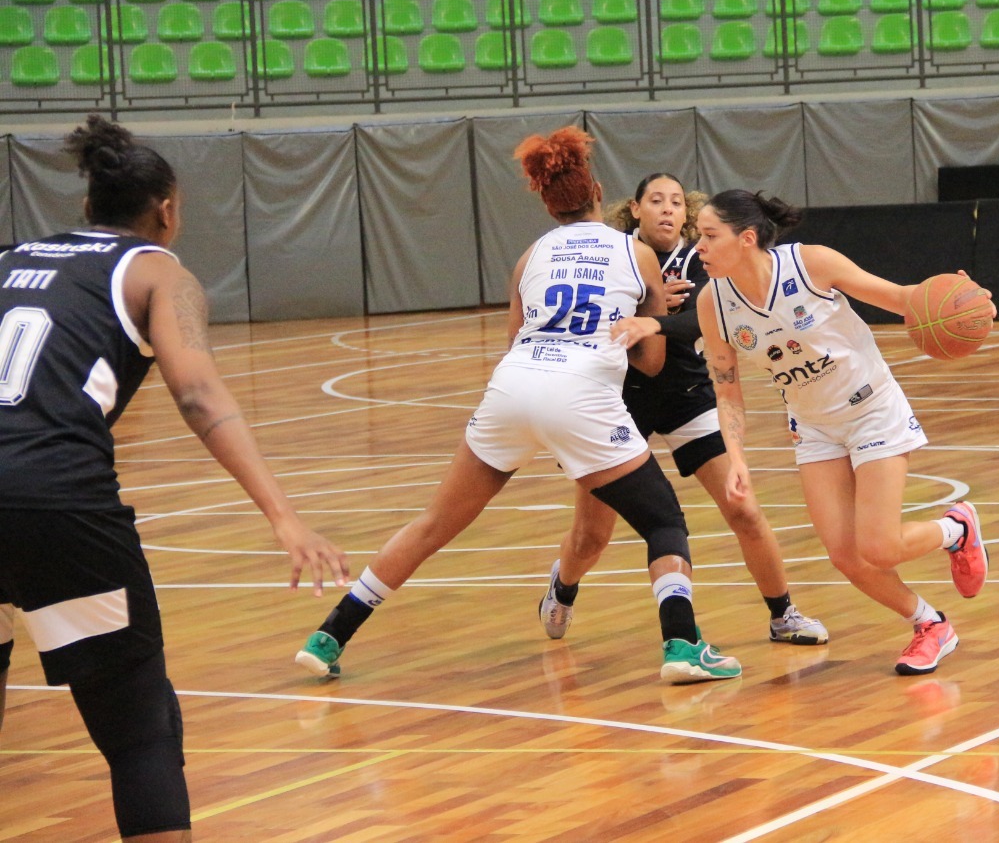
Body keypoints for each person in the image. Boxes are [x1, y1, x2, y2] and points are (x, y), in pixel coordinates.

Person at [0, 116, 349, 843]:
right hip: (54, 500)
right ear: (166, 210)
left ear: (90, 201)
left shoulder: (8, 256)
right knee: (140, 731)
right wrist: (285, 517)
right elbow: (198, 395)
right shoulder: (159, 270)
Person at [296, 128, 742, 685]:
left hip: (512, 387)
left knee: (434, 524)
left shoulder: (530, 255)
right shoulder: (634, 252)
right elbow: (651, 362)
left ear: (551, 203)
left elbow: (513, 341)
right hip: (580, 395)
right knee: (663, 521)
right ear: (601, 193)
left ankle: (330, 634)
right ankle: (681, 645)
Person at [694, 190, 992, 676]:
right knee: (847, 557)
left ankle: (957, 529)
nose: (698, 247)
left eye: (709, 236)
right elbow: (727, 389)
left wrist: (965, 300)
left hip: (871, 409)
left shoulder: (811, 264)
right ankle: (930, 624)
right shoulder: (714, 304)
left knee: (879, 547)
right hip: (813, 426)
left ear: (746, 238)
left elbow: (898, 297)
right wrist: (738, 459)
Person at [540, 174, 827, 647]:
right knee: (592, 535)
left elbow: (703, 318)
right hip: (617, 399)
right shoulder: (613, 255)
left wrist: (653, 318)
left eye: (676, 202)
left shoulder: (702, 257)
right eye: (656, 201)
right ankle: (563, 586)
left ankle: (783, 614)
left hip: (687, 394)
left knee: (745, 509)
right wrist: (645, 307)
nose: (667, 210)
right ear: (635, 209)